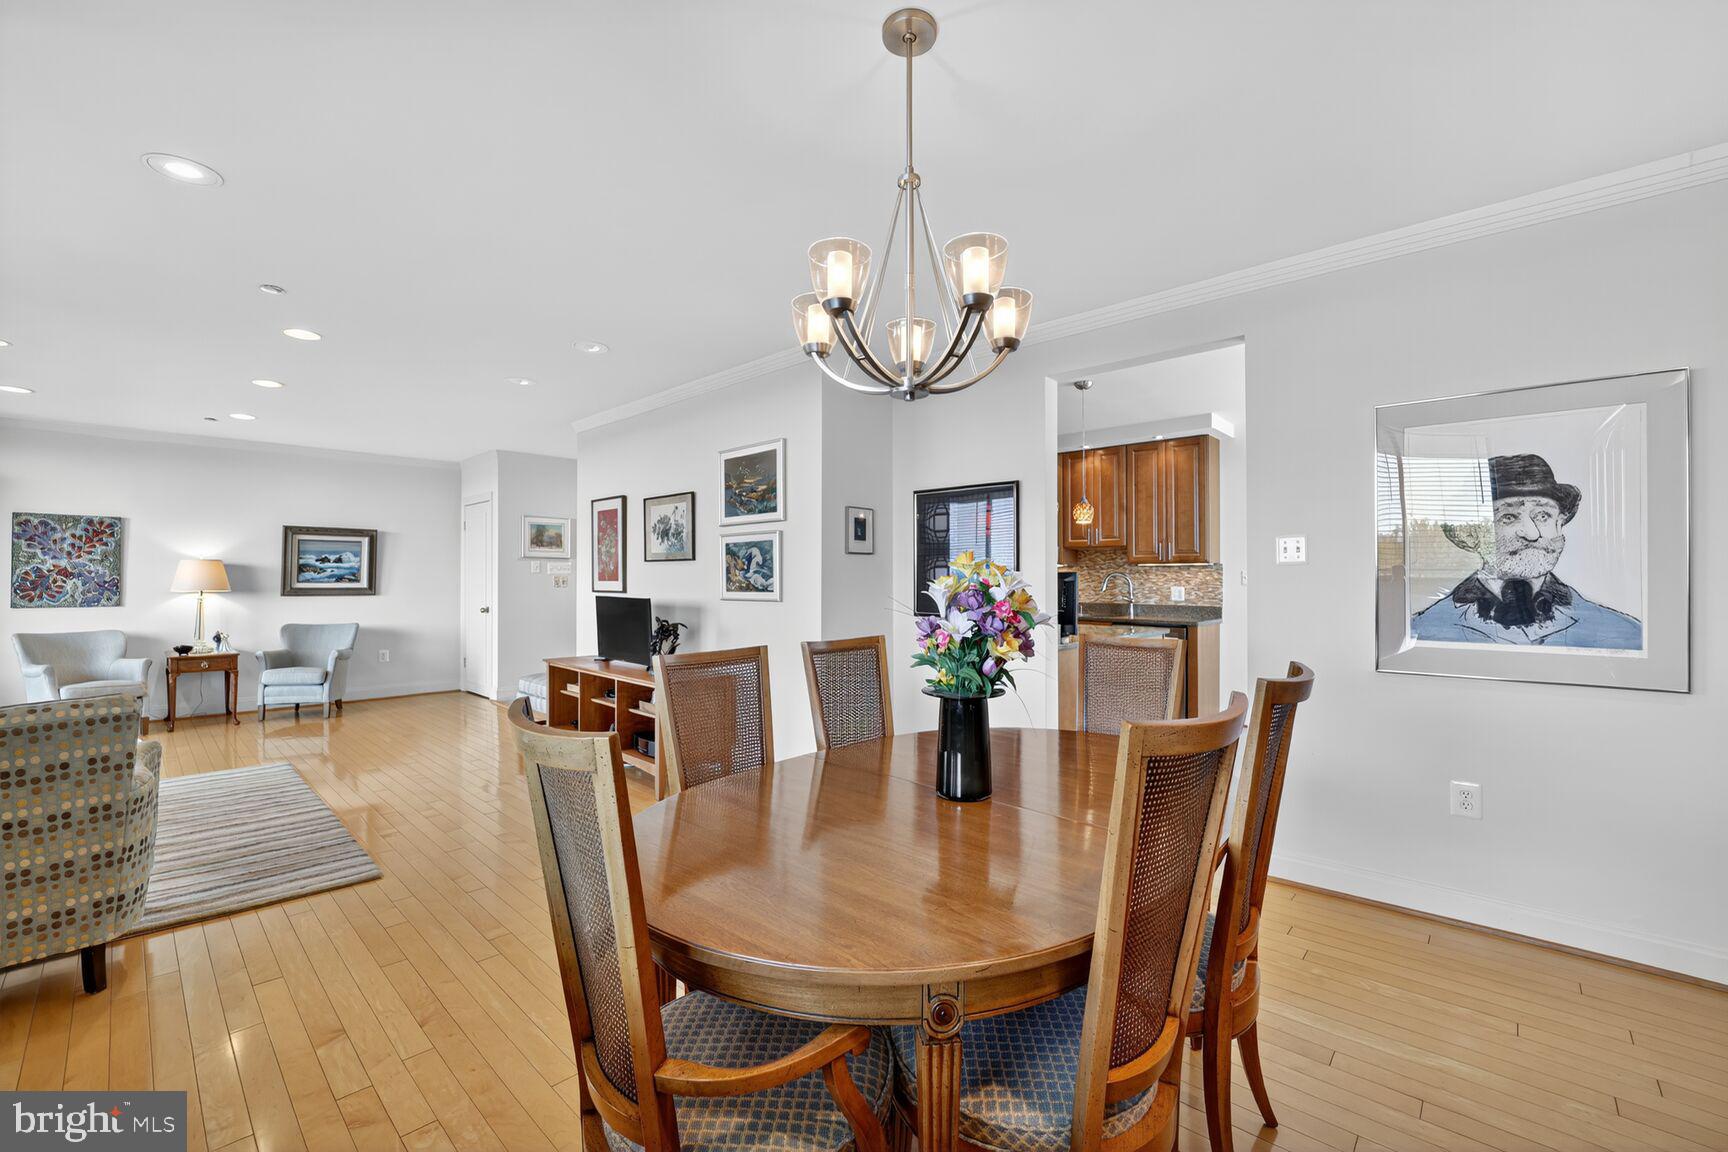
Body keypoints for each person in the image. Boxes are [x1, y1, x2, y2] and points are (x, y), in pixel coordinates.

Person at [1409, 453, 1642, 649]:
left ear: (1560, 524)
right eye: (1508, 517)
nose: (1532, 534)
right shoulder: (1420, 632)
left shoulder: (1626, 634)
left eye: (1543, 516)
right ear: (1471, 533)